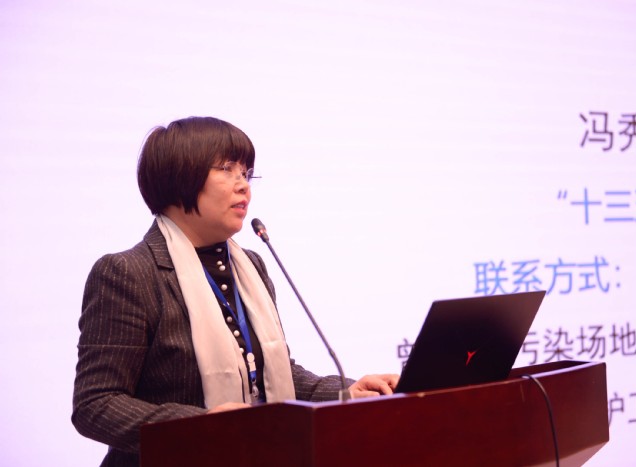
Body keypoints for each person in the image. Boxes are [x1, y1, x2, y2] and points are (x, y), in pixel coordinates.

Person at [72, 116, 399, 466]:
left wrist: (345, 394)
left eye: (246, 173)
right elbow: (96, 404)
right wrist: (199, 425)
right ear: (179, 177)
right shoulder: (129, 273)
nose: (244, 186)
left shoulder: (251, 266)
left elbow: (271, 376)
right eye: (227, 169)